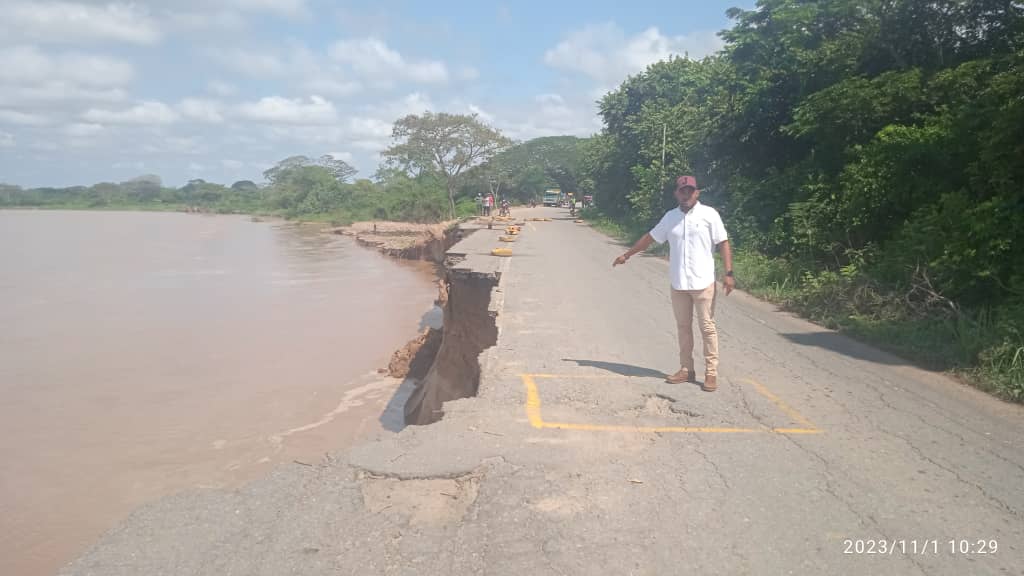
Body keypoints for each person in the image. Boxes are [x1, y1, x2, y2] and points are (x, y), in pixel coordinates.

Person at [612, 175, 735, 392]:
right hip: (679, 283)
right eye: (682, 190)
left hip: (703, 281)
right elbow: (650, 238)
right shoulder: (670, 218)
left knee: (707, 327)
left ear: (697, 192)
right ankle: (686, 369)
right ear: (676, 193)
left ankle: (711, 373)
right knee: (683, 327)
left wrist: (729, 273)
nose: (686, 194)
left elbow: (723, 242)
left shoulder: (709, 215)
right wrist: (627, 255)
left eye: (690, 190)